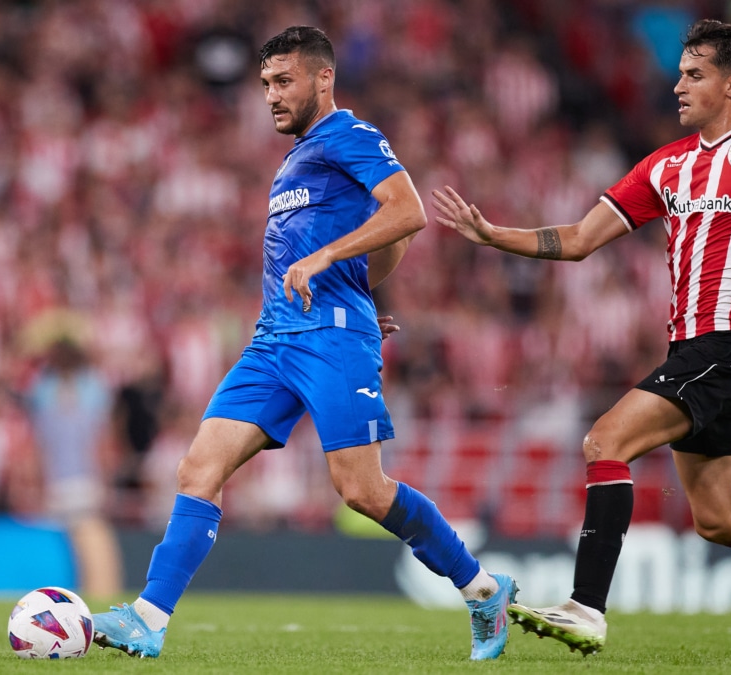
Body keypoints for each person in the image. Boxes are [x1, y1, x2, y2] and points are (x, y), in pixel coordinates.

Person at [433, 20, 731, 656]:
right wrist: (494, 234)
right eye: (679, 72)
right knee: (719, 520)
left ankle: (586, 607)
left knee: (604, 440)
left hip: (727, 344)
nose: (677, 85)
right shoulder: (665, 166)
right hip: (690, 350)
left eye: (693, 74)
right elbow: (583, 240)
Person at [92, 26, 517, 661]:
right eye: (265, 83)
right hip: (273, 340)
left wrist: (338, 279)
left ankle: (483, 589)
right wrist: (358, 288)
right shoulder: (295, 159)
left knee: (362, 492)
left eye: (283, 81)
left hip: (329, 338)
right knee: (197, 468)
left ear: (323, 78)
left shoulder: (350, 135)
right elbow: (381, 245)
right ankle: (148, 618)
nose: (271, 95)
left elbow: (406, 215)